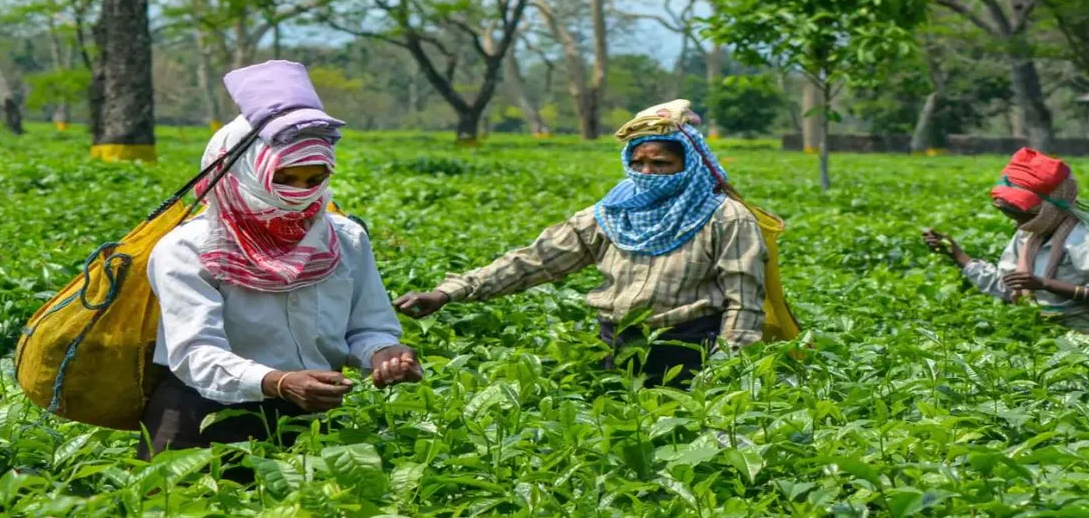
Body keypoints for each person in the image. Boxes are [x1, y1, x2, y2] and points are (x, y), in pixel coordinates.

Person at [139, 61, 422, 469]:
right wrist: (278, 382)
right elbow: (195, 353)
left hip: (311, 420)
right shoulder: (190, 247)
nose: (300, 194)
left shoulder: (344, 238)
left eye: (314, 179)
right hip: (202, 421)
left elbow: (368, 325)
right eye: (286, 178)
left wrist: (384, 353)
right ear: (246, 172)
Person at [394, 100, 767, 386]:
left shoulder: (725, 217)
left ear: (688, 165)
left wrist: (725, 372)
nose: (647, 173)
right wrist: (449, 292)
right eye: (637, 163)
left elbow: (744, 302)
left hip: (689, 351)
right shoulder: (611, 213)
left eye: (661, 163)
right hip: (614, 346)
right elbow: (535, 261)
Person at [924, 147, 1089, 333]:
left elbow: (1030, 283)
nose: (1019, 224)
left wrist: (1045, 284)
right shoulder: (1030, 236)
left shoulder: (1082, 237)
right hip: (1038, 331)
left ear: (1048, 209)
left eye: (1021, 214)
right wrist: (956, 254)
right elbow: (1008, 285)